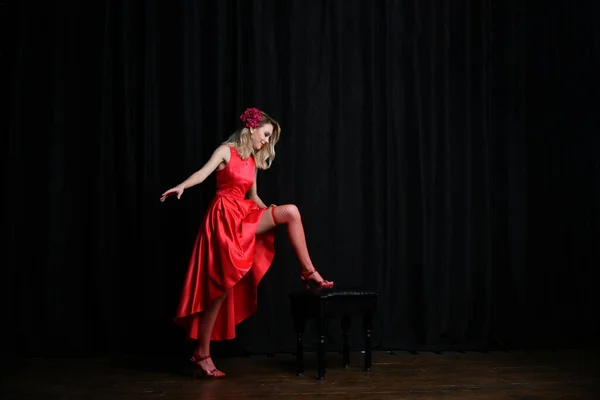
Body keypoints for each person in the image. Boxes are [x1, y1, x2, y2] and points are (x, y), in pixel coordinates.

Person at [160, 107, 334, 379]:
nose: (266, 141)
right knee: (220, 289)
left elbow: (253, 197)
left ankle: (308, 271)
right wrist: (182, 186)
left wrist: (272, 216)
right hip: (221, 219)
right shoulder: (225, 151)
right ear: (251, 129)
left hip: (243, 215)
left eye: (269, 138)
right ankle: (201, 353)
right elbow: (203, 173)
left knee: (290, 212)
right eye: (265, 135)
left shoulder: (253, 161)